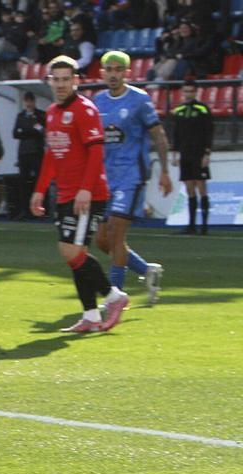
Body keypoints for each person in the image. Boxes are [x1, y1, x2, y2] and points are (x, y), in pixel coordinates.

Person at [29, 56, 129, 334]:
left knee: (71, 251)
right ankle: (91, 316)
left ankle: (114, 297)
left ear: (76, 81)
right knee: (76, 254)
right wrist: (39, 189)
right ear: (49, 81)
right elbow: (52, 154)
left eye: (65, 79)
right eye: (55, 80)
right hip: (65, 193)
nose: (60, 85)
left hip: (87, 194)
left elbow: (96, 152)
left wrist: (85, 189)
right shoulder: (51, 112)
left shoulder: (85, 110)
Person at [92, 51, 169, 304]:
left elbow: (158, 135)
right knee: (102, 241)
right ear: (102, 73)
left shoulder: (139, 100)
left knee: (115, 235)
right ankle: (147, 270)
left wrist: (165, 172)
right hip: (106, 178)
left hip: (131, 177)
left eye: (118, 70)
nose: (113, 74)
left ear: (127, 73)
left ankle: (115, 297)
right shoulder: (98, 101)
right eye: (109, 69)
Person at [171, 79, 212, 235]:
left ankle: (205, 225)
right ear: (183, 92)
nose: (188, 94)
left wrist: (207, 153)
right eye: (186, 91)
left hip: (199, 153)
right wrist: (174, 153)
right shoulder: (179, 110)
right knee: (189, 189)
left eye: (191, 91)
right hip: (185, 154)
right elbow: (177, 134)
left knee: (201, 188)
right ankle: (192, 225)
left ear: (196, 92)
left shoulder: (203, 109)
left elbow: (209, 132)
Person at [12, 91, 46, 220]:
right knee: (24, 183)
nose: (28, 104)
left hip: (37, 152)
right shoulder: (20, 116)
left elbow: (42, 132)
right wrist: (31, 131)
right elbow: (15, 133)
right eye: (26, 101)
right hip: (24, 153)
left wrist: (25, 131)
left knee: (39, 182)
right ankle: (25, 211)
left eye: (30, 101)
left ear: (34, 102)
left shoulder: (40, 115)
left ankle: (40, 210)